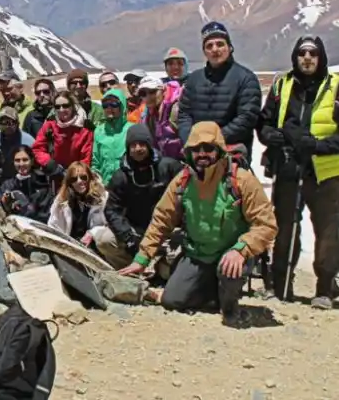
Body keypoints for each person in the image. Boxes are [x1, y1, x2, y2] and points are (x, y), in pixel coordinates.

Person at [120, 122, 277, 322]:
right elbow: (162, 219)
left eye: (209, 148)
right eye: (196, 149)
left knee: (229, 269)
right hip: (197, 254)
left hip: (232, 253)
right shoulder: (182, 181)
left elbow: (266, 224)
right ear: (189, 152)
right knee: (172, 300)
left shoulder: (242, 180)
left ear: (219, 150)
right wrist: (141, 259)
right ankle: (211, 292)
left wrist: (241, 249)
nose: (202, 154)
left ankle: (229, 306)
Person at [258, 35, 339, 306]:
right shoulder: (283, 85)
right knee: (283, 226)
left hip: (325, 171)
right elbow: (265, 122)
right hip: (288, 166)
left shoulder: (336, 87)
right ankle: (280, 285)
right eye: (302, 53)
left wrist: (318, 145)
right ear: (295, 57)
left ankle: (325, 289)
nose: (307, 58)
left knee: (328, 230)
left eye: (313, 53)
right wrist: (272, 136)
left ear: (321, 57)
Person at [97, 125, 182, 269]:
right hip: (136, 231)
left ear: (149, 145)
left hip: (167, 230)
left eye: (142, 144)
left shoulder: (170, 167)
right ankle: (131, 270)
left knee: (171, 264)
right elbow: (112, 211)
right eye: (133, 145)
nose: (138, 149)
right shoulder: (120, 176)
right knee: (104, 240)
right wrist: (128, 237)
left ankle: (156, 270)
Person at [178, 21, 261, 159]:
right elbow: (184, 115)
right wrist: (192, 140)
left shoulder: (246, 78)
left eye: (220, 44)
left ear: (230, 47)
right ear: (204, 51)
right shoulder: (194, 79)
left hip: (232, 153)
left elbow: (246, 118)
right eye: (209, 46)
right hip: (198, 153)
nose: (215, 49)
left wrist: (213, 139)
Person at [33, 91, 93, 178]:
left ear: (73, 106)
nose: (61, 110)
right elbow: (38, 148)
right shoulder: (49, 125)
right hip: (54, 175)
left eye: (65, 106)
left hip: (76, 177)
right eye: (57, 107)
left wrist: (75, 174)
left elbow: (86, 158)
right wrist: (48, 162)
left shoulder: (84, 129)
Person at [47, 162, 108, 246]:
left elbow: (107, 225)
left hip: (94, 244)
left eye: (83, 177)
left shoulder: (102, 197)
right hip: (69, 245)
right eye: (74, 179)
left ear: (89, 177)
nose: (79, 181)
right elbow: (53, 226)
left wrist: (92, 233)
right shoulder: (61, 200)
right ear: (69, 182)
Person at [0, 106, 35, 188]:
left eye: (10, 122)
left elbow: (38, 166)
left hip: (26, 183)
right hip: (0, 184)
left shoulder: (29, 142)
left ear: (17, 123)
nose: (7, 126)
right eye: (3, 122)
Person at [0, 146, 54, 222]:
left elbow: (45, 216)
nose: (21, 164)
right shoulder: (7, 185)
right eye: (17, 160)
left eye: (25, 160)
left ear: (32, 161)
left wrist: (27, 208)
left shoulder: (42, 186)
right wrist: (5, 206)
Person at [92, 89, 133, 185]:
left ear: (122, 106)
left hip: (128, 184)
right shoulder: (99, 131)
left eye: (114, 105)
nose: (109, 108)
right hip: (106, 184)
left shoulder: (131, 128)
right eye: (105, 105)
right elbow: (95, 161)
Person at [138, 76, 182, 160]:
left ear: (163, 91)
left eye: (152, 92)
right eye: (143, 94)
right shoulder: (147, 116)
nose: (148, 97)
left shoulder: (176, 110)